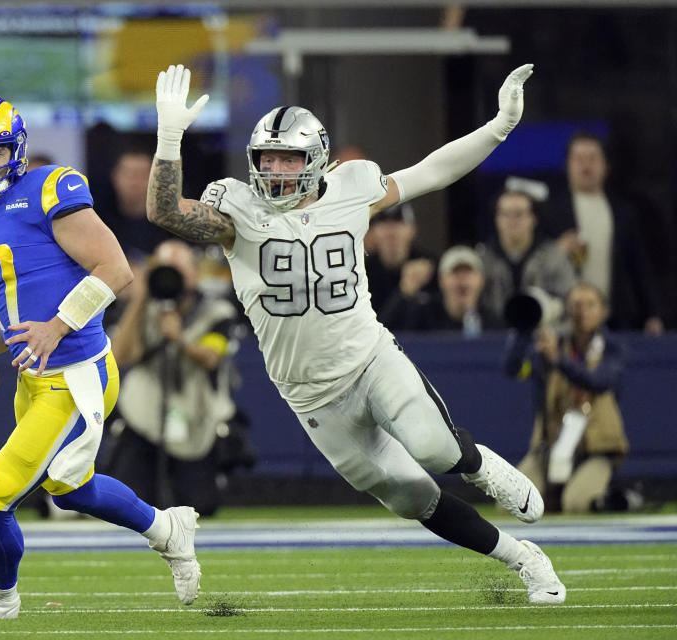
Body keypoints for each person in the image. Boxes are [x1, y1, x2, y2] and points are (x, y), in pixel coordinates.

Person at [145, 63, 566, 603]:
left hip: (369, 359)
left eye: (287, 158)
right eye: (266, 159)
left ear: (316, 159)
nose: (274, 170)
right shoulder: (237, 210)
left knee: (435, 450)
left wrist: (500, 126)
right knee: (412, 498)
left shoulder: (353, 187)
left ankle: (480, 466)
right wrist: (169, 138)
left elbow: (432, 171)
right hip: (311, 394)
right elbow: (163, 211)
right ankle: (524, 558)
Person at [0, 93, 201, 619]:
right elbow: (13, 314)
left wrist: (57, 326)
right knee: (70, 489)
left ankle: (1, 595)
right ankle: (167, 528)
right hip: (34, 376)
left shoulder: (50, 187)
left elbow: (117, 271)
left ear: (17, 149)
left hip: (75, 373)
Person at [109, 239, 239, 516]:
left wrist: (179, 339)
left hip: (194, 420)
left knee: (199, 505)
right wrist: (141, 296)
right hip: (142, 420)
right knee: (129, 504)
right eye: (163, 270)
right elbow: (119, 356)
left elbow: (211, 357)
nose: (171, 278)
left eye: (177, 270)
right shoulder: (143, 312)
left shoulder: (216, 312)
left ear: (193, 273)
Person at [503, 282, 630, 513]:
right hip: (550, 446)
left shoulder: (613, 348)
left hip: (595, 449)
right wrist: (524, 331)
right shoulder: (552, 343)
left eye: (590, 305)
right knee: (511, 502)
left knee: (576, 503)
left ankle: (609, 497)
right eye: (576, 305)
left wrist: (559, 360)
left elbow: (600, 382)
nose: (582, 312)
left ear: (603, 311)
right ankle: (553, 497)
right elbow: (513, 369)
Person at [543, 132, 664, 334]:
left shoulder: (624, 213)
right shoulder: (549, 211)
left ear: (606, 166)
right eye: (578, 158)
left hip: (616, 318)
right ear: (567, 166)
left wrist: (653, 313)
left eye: (592, 158)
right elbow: (535, 263)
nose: (586, 165)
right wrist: (557, 250)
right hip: (564, 320)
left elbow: (640, 267)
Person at [477, 189, 578, 321]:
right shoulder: (482, 260)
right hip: (493, 335)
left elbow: (569, 299)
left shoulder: (554, 258)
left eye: (518, 214)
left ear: (533, 219)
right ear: (496, 219)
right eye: (505, 214)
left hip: (544, 335)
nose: (511, 221)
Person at [380, 245, 503, 335]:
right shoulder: (423, 316)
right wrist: (403, 292)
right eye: (455, 273)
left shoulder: (493, 324)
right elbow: (383, 334)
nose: (462, 280)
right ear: (441, 281)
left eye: (468, 272)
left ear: (481, 281)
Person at [364, 202, 438, 316]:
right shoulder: (363, 272)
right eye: (384, 224)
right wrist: (404, 292)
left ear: (412, 230)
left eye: (399, 223)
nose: (391, 232)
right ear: (373, 232)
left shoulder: (431, 266)